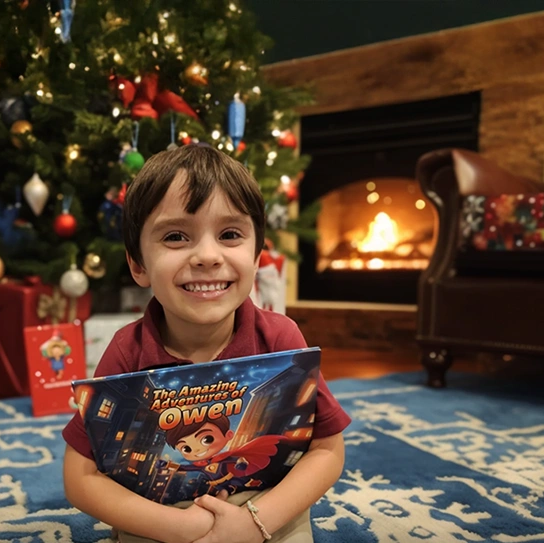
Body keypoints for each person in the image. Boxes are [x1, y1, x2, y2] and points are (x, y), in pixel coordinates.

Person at [62, 145, 351, 543]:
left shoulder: (280, 338)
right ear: (139, 265)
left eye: (230, 234)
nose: (208, 256)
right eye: (175, 236)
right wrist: (184, 528)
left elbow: (327, 451)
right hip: (160, 516)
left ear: (257, 256)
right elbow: (80, 477)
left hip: (265, 507)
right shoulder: (128, 350)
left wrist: (255, 523)